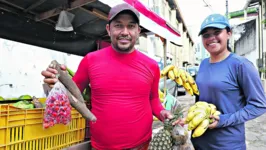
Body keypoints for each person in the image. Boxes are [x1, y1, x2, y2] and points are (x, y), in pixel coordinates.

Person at [41, 3, 175, 150]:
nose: (125, 32)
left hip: (141, 145)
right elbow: (73, 93)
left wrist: (163, 113)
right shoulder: (90, 60)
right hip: (101, 147)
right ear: (108, 29)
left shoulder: (151, 66)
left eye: (131, 26)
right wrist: (54, 84)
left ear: (138, 31)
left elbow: (153, 99)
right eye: (118, 25)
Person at [191, 13, 266, 150]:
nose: (211, 38)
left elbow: (259, 105)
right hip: (200, 142)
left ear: (229, 33)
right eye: (206, 35)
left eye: (217, 32)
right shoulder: (202, 65)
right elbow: (200, 101)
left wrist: (224, 120)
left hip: (228, 144)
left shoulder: (241, 65)